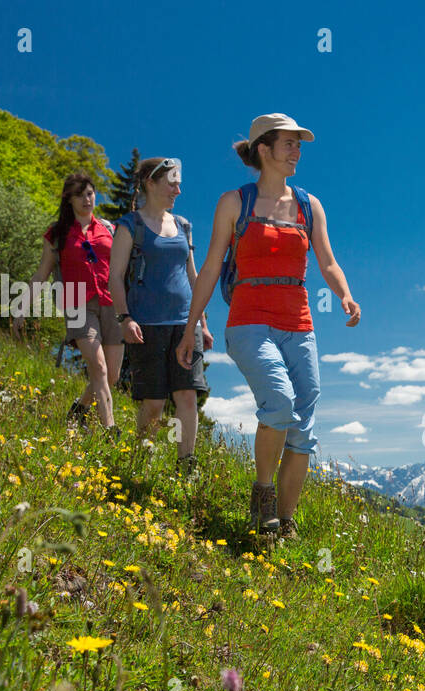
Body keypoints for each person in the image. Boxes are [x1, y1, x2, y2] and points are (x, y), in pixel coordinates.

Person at [181, 113, 360, 541]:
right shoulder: (234, 202)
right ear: (263, 149)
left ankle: (286, 521)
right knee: (279, 401)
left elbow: (327, 261)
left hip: (299, 322)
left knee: (303, 424)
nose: (297, 151)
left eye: (300, 144)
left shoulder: (308, 205)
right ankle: (262, 495)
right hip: (248, 322)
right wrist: (191, 326)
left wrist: (344, 294)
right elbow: (208, 269)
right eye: (289, 143)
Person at [109, 157, 210, 474]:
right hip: (146, 325)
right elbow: (115, 276)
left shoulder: (183, 226)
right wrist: (125, 318)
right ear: (150, 184)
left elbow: (193, 276)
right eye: (172, 182)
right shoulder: (130, 226)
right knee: (153, 404)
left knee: (187, 397)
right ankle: (141, 462)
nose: (178, 190)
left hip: (184, 324)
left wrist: (202, 323)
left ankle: (186, 467)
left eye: (179, 183)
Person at [29, 172, 122, 436]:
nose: (86, 199)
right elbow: (41, 273)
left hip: (111, 302)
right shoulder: (57, 234)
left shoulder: (108, 229)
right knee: (99, 367)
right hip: (78, 305)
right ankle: (109, 432)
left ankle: (79, 410)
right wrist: (22, 308)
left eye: (90, 193)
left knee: (111, 376)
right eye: (80, 195)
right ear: (68, 199)